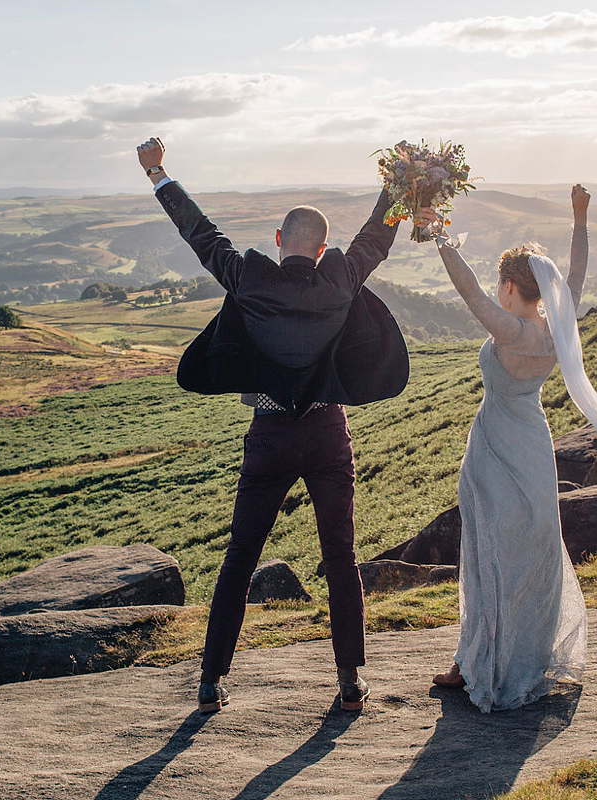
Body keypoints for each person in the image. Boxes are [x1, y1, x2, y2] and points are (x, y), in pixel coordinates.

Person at [135, 136, 409, 713]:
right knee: (340, 554)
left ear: (280, 242)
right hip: (327, 434)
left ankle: (211, 681)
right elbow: (378, 235)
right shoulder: (340, 281)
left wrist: (159, 173)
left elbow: (201, 236)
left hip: (267, 436)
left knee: (240, 555)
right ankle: (349, 681)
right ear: (324, 247)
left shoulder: (250, 280)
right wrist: (404, 181)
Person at [418, 186, 592, 712]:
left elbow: (468, 292)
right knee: (529, 553)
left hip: (494, 447)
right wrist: (579, 217)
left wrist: (440, 235)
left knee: (487, 554)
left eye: (502, 284)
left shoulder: (511, 329)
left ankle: (477, 663)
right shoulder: (555, 326)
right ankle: (517, 659)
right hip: (534, 447)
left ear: (513, 287)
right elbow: (577, 270)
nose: (496, 290)